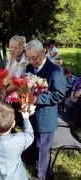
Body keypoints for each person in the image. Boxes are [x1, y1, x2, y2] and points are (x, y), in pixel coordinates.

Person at [25, 40, 66, 180]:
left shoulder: (55, 70)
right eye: (28, 57)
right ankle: (39, 165)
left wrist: (39, 99)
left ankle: (42, 176)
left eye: (33, 57)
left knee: (43, 147)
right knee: (35, 141)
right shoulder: (29, 68)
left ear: (43, 52)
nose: (31, 61)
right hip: (32, 113)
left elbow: (59, 94)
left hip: (46, 117)